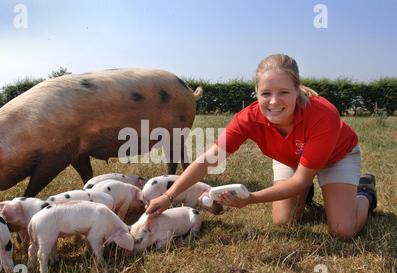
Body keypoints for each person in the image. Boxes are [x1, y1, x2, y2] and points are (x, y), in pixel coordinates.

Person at [145, 54, 377, 240]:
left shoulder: (324, 115)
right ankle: (304, 197)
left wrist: (251, 198)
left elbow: (300, 181)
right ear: (256, 93)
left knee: (342, 231)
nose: (274, 101)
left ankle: (365, 191)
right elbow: (210, 159)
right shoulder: (247, 118)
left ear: (297, 90)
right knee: (283, 222)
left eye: (284, 92)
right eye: (266, 93)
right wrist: (169, 196)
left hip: (337, 156)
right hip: (293, 159)